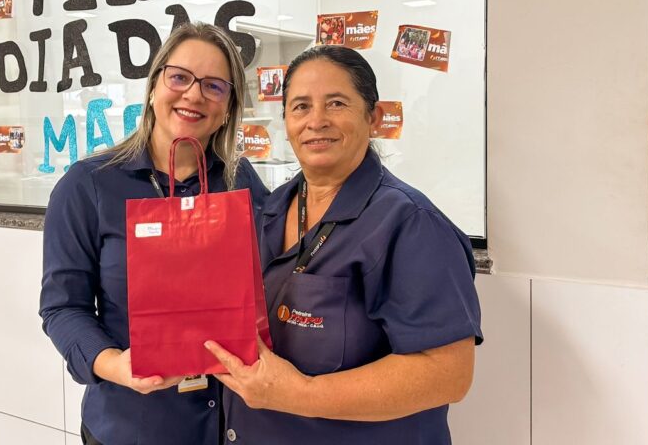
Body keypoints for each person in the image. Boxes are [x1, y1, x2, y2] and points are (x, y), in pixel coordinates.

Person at [205, 45, 482, 444]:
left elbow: (448, 374)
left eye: (336, 103)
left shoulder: (411, 224)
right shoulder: (270, 208)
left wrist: (301, 394)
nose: (316, 121)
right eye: (301, 107)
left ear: (374, 117)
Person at [40, 22, 271, 445]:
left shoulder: (240, 182)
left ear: (227, 108)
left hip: (232, 425)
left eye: (214, 86)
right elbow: (62, 308)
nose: (194, 95)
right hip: (134, 426)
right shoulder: (89, 185)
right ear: (153, 88)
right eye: (179, 77)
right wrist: (115, 364)